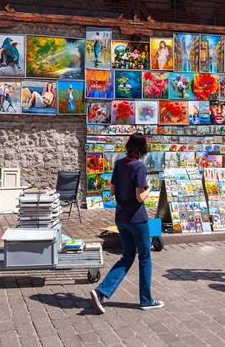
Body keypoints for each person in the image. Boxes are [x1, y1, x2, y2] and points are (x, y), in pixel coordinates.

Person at [90, 133, 164, 314]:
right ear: (142, 148)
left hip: (121, 217)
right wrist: (150, 190)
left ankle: (101, 292)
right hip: (137, 218)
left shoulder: (118, 164)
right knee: (145, 257)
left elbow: (112, 191)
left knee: (127, 257)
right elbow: (140, 197)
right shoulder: (139, 166)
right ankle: (146, 300)